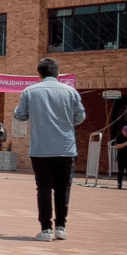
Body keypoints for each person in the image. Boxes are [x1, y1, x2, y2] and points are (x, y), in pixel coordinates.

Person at [13, 57, 86, 241]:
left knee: (44, 189)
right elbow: (80, 117)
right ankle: (61, 227)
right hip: (65, 148)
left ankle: (46, 230)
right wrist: (66, 121)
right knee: (63, 189)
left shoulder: (30, 91)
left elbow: (20, 115)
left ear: (39, 73)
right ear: (57, 73)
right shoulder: (71, 91)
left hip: (41, 149)